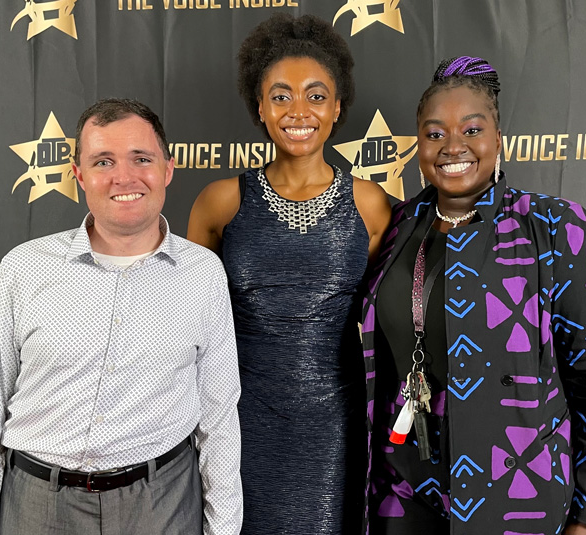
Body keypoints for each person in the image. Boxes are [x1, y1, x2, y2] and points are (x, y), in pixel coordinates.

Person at [0, 98, 242, 535]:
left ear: (167, 168)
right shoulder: (24, 268)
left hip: (162, 505)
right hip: (36, 507)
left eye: (141, 158)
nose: (124, 177)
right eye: (103, 161)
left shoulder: (203, 274)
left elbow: (218, 416)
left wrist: (223, 528)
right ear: (79, 175)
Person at [360, 56, 586, 535]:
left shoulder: (556, 228)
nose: (452, 147)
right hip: (402, 497)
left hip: (515, 499)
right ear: (417, 144)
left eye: (471, 129)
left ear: (498, 138)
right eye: (434, 133)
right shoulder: (396, 227)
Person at [187, 14, 391, 534]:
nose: (298, 111)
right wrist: (37, 296)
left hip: (338, 431)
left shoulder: (369, 204)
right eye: (281, 96)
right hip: (241, 426)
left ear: (338, 106)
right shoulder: (220, 203)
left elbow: (406, 302)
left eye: (316, 96)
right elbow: (171, 305)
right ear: (259, 107)